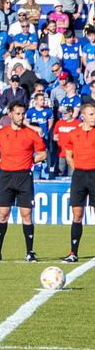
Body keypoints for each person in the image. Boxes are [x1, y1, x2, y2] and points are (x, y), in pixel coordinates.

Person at [0, 102, 46, 262]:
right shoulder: (1, 133)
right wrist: (0, 162)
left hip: (24, 176)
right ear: (10, 114)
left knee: (26, 214)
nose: (21, 116)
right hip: (6, 176)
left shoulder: (31, 133)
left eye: (23, 113)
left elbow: (43, 154)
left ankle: (30, 252)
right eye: (18, 113)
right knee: (3, 213)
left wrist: (30, 160)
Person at [58, 100, 95, 262]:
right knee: (77, 214)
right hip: (79, 176)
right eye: (91, 114)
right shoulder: (73, 133)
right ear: (83, 116)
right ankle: (73, 252)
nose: (94, 117)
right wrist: (78, 168)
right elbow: (68, 155)